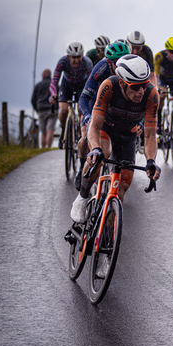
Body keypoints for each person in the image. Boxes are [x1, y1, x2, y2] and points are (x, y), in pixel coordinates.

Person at [70, 55, 161, 229]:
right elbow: (94, 127)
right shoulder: (109, 86)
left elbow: (149, 136)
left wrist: (151, 161)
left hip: (128, 136)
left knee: (120, 191)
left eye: (144, 85)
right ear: (122, 83)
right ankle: (82, 197)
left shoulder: (151, 94)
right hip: (106, 129)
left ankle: (106, 239)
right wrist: (94, 149)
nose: (141, 91)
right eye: (135, 87)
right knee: (103, 153)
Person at [74, 41, 130, 190]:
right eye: (116, 63)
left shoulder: (131, 68)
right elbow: (84, 97)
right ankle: (82, 168)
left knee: (107, 151)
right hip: (95, 104)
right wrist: (86, 115)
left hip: (114, 107)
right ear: (109, 62)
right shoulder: (102, 67)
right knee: (86, 140)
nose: (120, 67)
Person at [49, 42, 93, 149]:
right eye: (73, 58)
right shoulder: (62, 62)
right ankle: (64, 129)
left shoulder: (87, 62)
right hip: (66, 85)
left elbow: (90, 80)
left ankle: (79, 132)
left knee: (81, 110)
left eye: (78, 57)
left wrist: (89, 95)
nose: (77, 60)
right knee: (63, 110)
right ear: (68, 56)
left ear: (82, 55)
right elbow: (54, 80)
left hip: (81, 86)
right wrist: (54, 94)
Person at [31, 69, 58, 148]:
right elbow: (59, 97)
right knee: (50, 130)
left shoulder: (38, 85)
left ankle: (43, 148)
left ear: (43, 75)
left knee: (43, 131)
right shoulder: (54, 85)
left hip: (41, 110)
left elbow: (33, 100)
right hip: (52, 109)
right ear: (50, 75)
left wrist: (37, 109)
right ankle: (48, 147)